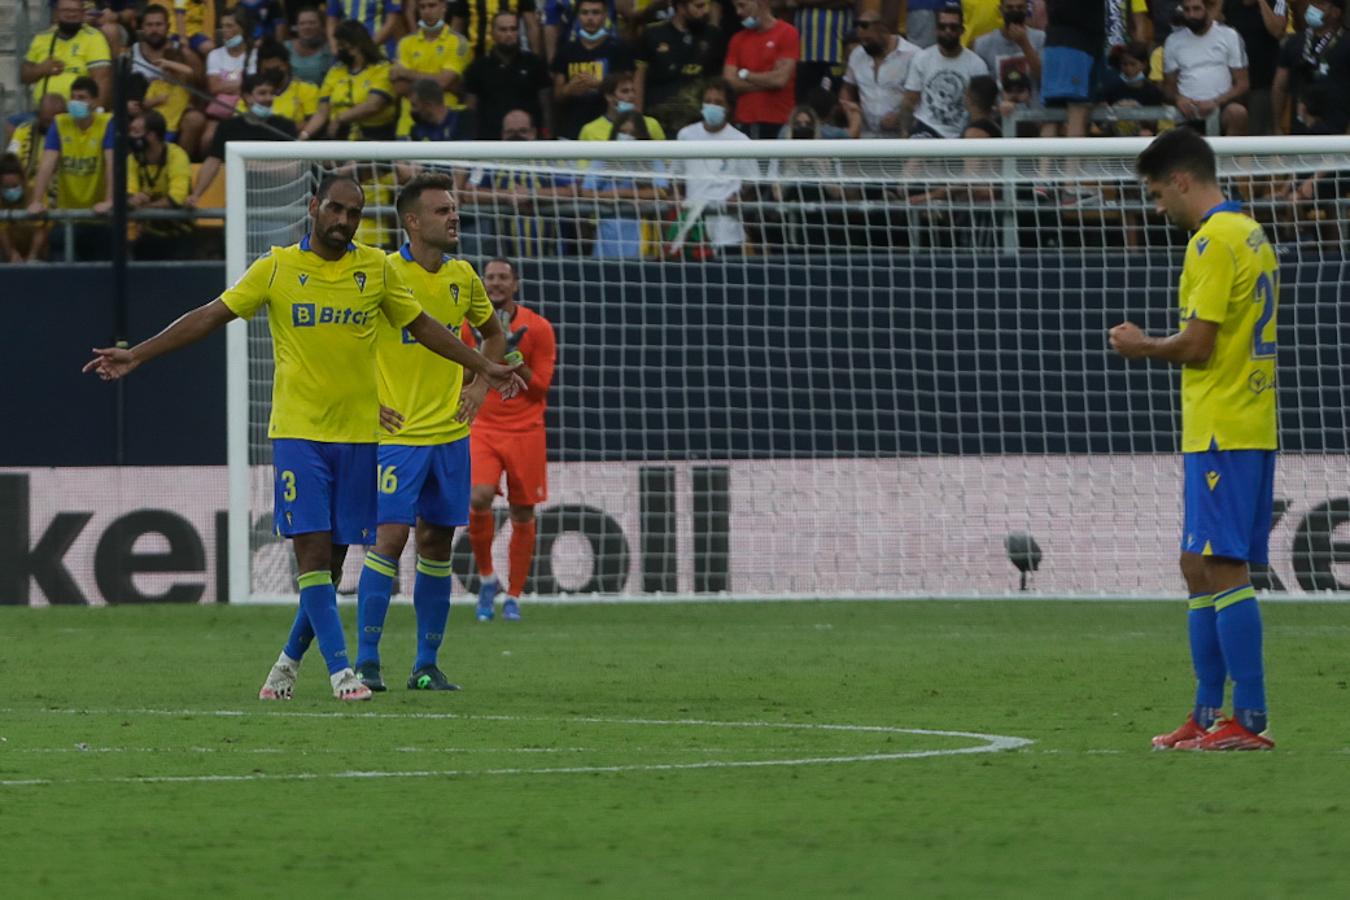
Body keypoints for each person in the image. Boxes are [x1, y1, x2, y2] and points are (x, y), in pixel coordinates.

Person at [83, 175, 525, 702]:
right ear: (314, 207)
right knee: (314, 553)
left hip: (360, 437)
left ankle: (287, 664)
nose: (343, 221)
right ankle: (345, 672)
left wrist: (483, 370)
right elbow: (210, 315)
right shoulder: (277, 267)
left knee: (337, 562)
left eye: (353, 213)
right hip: (299, 434)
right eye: (335, 209)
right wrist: (139, 353)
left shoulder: (375, 269)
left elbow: (427, 327)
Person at [1109, 127, 1277, 752]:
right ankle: (1207, 714)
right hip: (1239, 421)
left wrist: (1140, 345)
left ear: (1182, 180)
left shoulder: (1212, 240)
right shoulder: (1253, 232)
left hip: (1224, 425)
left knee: (1224, 565)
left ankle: (1249, 719)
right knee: (1195, 564)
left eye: (1157, 194)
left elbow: (1198, 344)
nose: (1158, 208)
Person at [354, 173, 507, 691]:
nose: (454, 216)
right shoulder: (380, 272)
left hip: (449, 435)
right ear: (412, 221)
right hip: (396, 436)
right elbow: (346, 345)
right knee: (390, 538)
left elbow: (493, 335)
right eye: (442, 210)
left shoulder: (464, 275)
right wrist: (366, 402)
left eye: (454, 208)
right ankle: (367, 661)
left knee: (437, 543)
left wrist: (481, 388)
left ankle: (425, 665)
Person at [466, 257, 557, 622]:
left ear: (515, 284)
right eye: (490, 278)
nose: (496, 284)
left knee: (523, 510)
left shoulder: (538, 327)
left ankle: (514, 595)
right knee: (478, 496)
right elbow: (461, 374)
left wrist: (512, 355)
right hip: (484, 427)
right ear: (483, 283)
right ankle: (488, 579)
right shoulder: (467, 325)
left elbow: (539, 390)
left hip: (525, 430)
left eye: (503, 278)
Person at [27, 77, 114, 261]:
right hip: (67, 217)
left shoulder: (108, 123)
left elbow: (113, 165)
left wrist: (109, 200)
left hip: (99, 218)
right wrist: (36, 200)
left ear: (95, 102)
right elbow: (47, 163)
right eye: (73, 97)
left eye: (82, 97)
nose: (76, 102)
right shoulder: (60, 123)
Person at [671, 79, 757, 255]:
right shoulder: (686, 135)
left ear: (729, 107)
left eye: (718, 102)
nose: (712, 106)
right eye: (708, 101)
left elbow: (752, 182)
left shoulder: (741, 141)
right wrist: (677, 196)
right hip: (692, 230)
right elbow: (675, 177)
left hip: (728, 232)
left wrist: (738, 197)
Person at [186, 74, 297, 209]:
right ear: (247, 96)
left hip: (278, 202)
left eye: (271, 93)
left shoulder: (286, 126)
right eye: (262, 93)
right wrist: (196, 195)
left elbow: (293, 169)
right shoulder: (228, 126)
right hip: (239, 201)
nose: (268, 98)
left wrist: (251, 165)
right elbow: (213, 161)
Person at [581, 111, 671, 257]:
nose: (626, 136)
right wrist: (611, 196)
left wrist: (622, 193)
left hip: (642, 234)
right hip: (608, 233)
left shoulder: (651, 158)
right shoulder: (603, 157)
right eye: (623, 131)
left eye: (632, 133)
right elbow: (586, 192)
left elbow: (660, 191)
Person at [899, 3, 990, 137]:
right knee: (916, 155)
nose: (948, 31)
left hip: (963, 131)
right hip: (927, 129)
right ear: (936, 30)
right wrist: (905, 134)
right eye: (943, 27)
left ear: (961, 30)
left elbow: (982, 110)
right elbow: (909, 101)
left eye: (953, 27)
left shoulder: (977, 64)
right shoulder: (922, 58)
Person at [634, 0, 724, 135]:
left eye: (706, 5)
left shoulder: (713, 35)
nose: (705, 11)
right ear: (681, 7)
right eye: (698, 6)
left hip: (699, 124)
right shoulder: (652, 33)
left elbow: (719, 82)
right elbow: (639, 78)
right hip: (658, 122)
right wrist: (637, 118)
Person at [1163, 0, 1250, 135]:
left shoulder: (1229, 35)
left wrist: (1215, 102)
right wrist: (1178, 99)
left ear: (1208, 9)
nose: (1191, 15)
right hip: (1187, 111)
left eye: (1197, 9)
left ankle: (1229, 156)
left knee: (1238, 113)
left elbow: (1242, 83)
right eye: (1187, 10)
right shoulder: (1172, 41)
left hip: (1222, 107)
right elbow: (1169, 87)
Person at [550, 0, 636, 138]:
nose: (590, 18)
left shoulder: (619, 49)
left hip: (609, 130)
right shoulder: (566, 50)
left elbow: (628, 92)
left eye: (595, 12)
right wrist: (570, 88)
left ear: (605, 15)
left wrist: (597, 84)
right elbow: (557, 95)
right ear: (578, 16)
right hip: (570, 130)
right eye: (585, 13)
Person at [462, 10, 552, 140]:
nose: (509, 34)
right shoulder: (477, 67)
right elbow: (470, 108)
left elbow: (546, 104)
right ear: (492, 33)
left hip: (529, 141)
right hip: (489, 141)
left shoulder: (534, 63)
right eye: (503, 30)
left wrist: (547, 133)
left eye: (513, 29)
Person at [132, 5, 207, 156]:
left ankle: (180, 164)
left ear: (168, 26)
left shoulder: (182, 52)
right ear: (142, 27)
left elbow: (199, 82)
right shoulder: (131, 52)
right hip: (143, 110)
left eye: (159, 24)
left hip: (179, 113)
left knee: (195, 119)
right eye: (149, 25)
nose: (154, 29)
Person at [304, 19, 398, 140]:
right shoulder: (335, 71)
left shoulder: (382, 69)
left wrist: (340, 118)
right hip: (340, 136)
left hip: (374, 137)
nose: (338, 50)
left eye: (341, 45)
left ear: (356, 46)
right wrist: (304, 136)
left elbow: (373, 105)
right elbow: (322, 113)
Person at [722, 0, 800, 138]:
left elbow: (779, 80)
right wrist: (768, 80)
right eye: (736, 7)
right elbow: (728, 83)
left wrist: (744, 74)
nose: (738, 12)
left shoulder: (788, 33)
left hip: (780, 120)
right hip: (744, 120)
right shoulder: (737, 40)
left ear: (761, 3)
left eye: (742, 5)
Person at [1271, 0, 1350, 135]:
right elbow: (1279, 86)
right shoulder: (1293, 42)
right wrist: (1277, 127)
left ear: (1336, 12)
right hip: (1300, 132)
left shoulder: (1347, 42)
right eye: (1312, 3)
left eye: (1320, 4)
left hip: (1338, 132)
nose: (1313, 8)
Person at [392, 0, 471, 129]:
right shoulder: (405, 43)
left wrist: (406, 73)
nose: (427, 11)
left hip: (445, 123)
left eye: (432, 5)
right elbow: (400, 87)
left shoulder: (458, 42)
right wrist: (440, 82)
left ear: (444, 7)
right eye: (422, 7)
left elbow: (443, 82)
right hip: (409, 124)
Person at [842, 11, 921, 137]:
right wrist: (852, 115)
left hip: (901, 136)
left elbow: (922, 96)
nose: (864, 44)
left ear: (882, 30)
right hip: (867, 137)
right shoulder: (857, 55)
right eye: (862, 40)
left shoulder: (913, 55)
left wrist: (901, 116)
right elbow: (847, 90)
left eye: (868, 40)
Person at [127, 109, 192, 260]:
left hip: (180, 233)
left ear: (152, 135)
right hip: (148, 234)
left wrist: (145, 206)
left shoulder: (177, 155)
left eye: (136, 131)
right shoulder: (133, 159)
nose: (131, 136)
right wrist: (133, 199)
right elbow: (130, 194)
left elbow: (176, 198)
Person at [22, 0, 113, 108]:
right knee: (13, 122)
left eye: (75, 10)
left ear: (83, 13)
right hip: (41, 112)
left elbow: (102, 80)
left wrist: (96, 112)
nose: (71, 14)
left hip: (79, 114)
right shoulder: (42, 38)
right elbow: (24, 75)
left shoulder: (94, 38)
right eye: (66, 10)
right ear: (56, 14)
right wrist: (41, 69)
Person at [1220, 0, 1288, 136]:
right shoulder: (1228, 3)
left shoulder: (1277, 2)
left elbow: (1277, 31)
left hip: (1262, 83)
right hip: (1232, 84)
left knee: (1258, 137)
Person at [1042, 0, 1104, 137]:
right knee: (1077, 112)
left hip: (1053, 44)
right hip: (1079, 45)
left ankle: (1044, 159)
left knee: (1051, 113)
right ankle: (1073, 159)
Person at [972, 0, 1045, 102]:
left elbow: (1043, 77)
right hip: (998, 112)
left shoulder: (1041, 38)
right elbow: (981, 89)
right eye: (1009, 8)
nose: (1015, 11)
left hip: (1033, 112)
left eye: (1020, 8)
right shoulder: (983, 44)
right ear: (1001, 10)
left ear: (1027, 9)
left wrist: (1025, 44)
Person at [253, 39, 321, 130]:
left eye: (276, 68)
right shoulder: (251, 91)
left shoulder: (308, 89)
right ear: (260, 69)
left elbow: (312, 122)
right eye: (267, 70)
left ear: (286, 65)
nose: (272, 73)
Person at [792, 0, 854, 100]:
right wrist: (834, 4)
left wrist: (809, 4)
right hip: (806, 54)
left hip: (836, 55)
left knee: (832, 103)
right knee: (805, 103)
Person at [578, 72, 668, 141]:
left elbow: (664, 162)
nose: (632, 96)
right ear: (609, 96)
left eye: (633, 91)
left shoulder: (652, 124)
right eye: (625, 91)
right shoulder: (589, 130)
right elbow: (583, 165)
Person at [5, 94, 66, 185]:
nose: (50, 126)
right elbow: (12, 162)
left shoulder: (71, 135)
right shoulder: (23, 130)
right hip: (27, 187)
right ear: (38, 115)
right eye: (47, 121)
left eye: (54, 122)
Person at [0, 153, 49, 263]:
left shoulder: (36, 194)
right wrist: (11, 254)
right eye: (6, 187)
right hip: (9, 252)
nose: (11, 190)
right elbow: (2, 232)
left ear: (23, 180)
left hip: (39, 252)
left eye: (15, 186)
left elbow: (41, 230)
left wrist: (32, 256)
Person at [287, 5, 335, 85]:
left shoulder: (330, 50)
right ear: (297, 27)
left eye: (312, 23)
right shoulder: (286, 48)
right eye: (302, 23)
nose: (307, 27)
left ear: (322, 26)